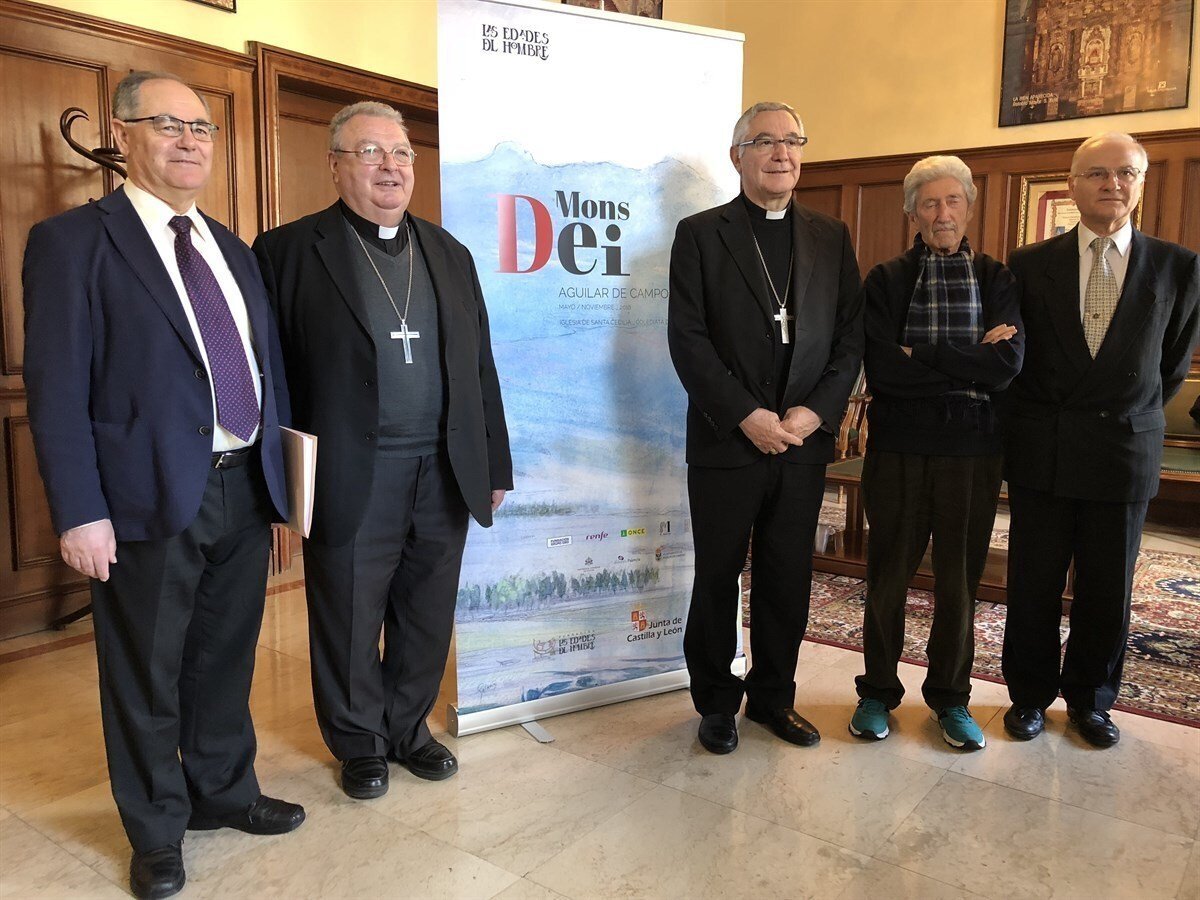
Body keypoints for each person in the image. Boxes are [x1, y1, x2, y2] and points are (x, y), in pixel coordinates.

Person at [22, 71, 304, 900]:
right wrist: (80, 512)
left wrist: (283, 486)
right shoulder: (73, 242)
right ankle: (154, 829)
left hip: (243, 485)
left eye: (201, 128)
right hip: (141, 496)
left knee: (225, 656)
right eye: (168, 124)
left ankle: (224, 791)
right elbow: (56, 388)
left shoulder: (233, 249)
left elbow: (267, 371)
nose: (189, 141)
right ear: (124, 135)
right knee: (145, 671)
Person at [253, 102, 512, 798]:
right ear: (335, 165)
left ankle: (407, 729)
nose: (390, 166)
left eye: (401, 153)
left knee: (426, 611)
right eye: (369, 152)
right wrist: (276, 477)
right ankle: (359, 741)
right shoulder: (287, 252)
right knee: (348, 613)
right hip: (350, 467)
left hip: (445, 466)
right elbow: (270, 375)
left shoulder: (450, 253)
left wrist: (494, 461)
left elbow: (480, 365)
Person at [667, 101, 864, 754]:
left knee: (787, 578)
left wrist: (813, 413)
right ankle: (716, 704)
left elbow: (849, 339)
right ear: (737, 157)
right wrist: (746, 416)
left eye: (792, 141)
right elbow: (688, 339)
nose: (782, 153)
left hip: (801, 444)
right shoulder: (701, 234)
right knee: (718, 578)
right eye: (765, 142)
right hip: (728, 440)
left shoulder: (831, 236)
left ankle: (774, 698)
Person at [1001, 132, 1199, 747]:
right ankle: (1029, 695)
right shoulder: (1027, 264)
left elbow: (1171, 366)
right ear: (1073, 183)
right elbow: (1017, 361)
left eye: (1125, 173)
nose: (1112, 183)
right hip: (1045, 449)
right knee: (1033, 581)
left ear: (1140, 183)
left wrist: (1129, 409)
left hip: (1123, 449)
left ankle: (1091, 700)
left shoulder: (1177, 266)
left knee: (1108, 588)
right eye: (1097, 173)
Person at [848, 156, 1023, 750]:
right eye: (929, 203)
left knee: (959, 583)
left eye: (953, 201)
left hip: (974, 452)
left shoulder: (997, 278)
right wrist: (970, 355)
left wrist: (919, 353)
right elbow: (882, 369)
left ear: (968, 208)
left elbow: (1006, 366)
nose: (942, 213)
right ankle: (876, 691)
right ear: (912, 213)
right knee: (887, 578)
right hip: (898, 449)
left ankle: (951, 698)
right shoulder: (886, 280)